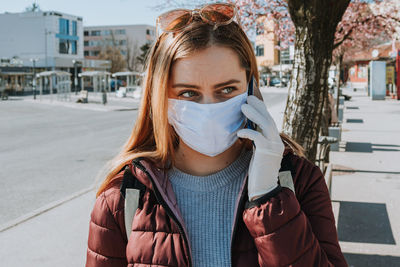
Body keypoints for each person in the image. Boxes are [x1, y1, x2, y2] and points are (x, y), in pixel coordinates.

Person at [86, 3, 347, 267]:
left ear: (251, 88)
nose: (209, 108)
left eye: (226, 89)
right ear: (159, 98)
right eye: (188, 93)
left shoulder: (299, 183)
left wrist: (269, 199)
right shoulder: (121, 199)